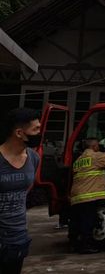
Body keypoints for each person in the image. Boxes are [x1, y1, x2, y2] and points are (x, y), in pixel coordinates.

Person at [0, 108, 41, 274]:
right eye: (36, 129)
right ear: (19, 133)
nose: (40, 133)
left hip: (17, 238)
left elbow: (26, 189)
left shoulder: (33, 158)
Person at [69, 138, 105, 254]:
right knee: (88, 221)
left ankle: (73, 244)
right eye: (98, 145)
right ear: (94, 147)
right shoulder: (96, 157)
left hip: (76, 196)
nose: (99, 147)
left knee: (76, 221)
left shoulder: (78, 160)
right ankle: (86, 246)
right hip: (89, 195)